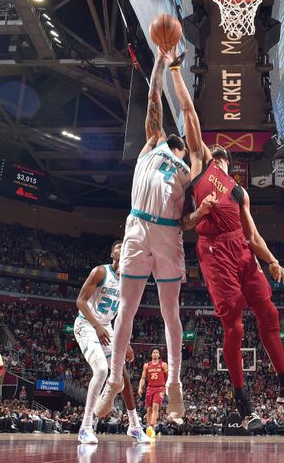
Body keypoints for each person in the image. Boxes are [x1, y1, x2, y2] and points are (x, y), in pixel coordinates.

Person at [170, 48, 284, 430]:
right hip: (213, 250)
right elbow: (184, 224)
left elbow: (253, 235)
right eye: (218, 157)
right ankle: (243, 403)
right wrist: (176, 70)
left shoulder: (239, 192)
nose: (222, 162)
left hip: (242, 249)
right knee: (235, 326)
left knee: (269, 313)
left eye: (224, 161)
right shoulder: (201, 166)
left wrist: (272, 261)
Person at [97, 48, 191, 422]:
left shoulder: (189, 166)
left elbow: (190, 219)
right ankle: (115, 380)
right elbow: (154, 98)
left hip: (168, 234)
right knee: (126, 309)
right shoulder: (152, 145)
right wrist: (159, 62)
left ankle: (175, 384)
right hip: (136, 226)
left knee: (171, 312)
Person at [73, 240, 149, 444]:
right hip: (87, 324)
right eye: (118, 247)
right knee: (101, 370)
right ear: (112, 254)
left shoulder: (128, 282)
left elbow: (122, 316)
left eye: (126, 247)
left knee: (121, 373)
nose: (122, 249)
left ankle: (134, 426)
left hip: (107, 327)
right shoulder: (100, 272)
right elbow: (80, 301)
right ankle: (85, 427)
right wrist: (97, 326)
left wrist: (126, 341)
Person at [138, 348, 168, 439]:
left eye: (157, 352)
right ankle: (149, 428)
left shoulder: (163, 365)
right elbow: (143, 378)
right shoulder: (147, 365)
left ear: (159, 355)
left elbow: (168, 377)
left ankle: (151, 426)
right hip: (150, 388)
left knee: (155, 407)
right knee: (149, 409)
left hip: (160, 388)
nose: (155, 354)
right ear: (151, 355)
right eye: (153, 352)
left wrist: (166, 387)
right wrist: (140, 387)